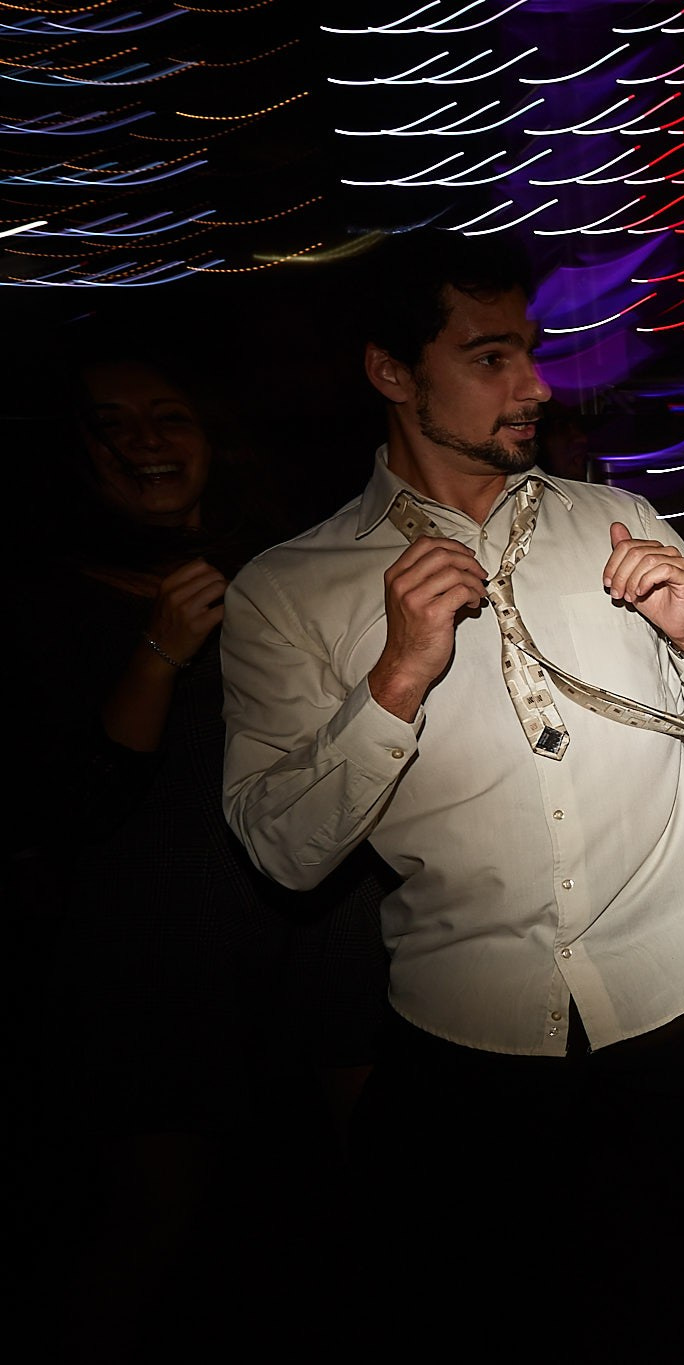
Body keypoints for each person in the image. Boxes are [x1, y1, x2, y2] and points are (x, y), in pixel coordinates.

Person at [219, 233, 684, 1356]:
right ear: (392, 372)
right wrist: (396, 677)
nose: (534, 385)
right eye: (489, 357)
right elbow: (281, 852)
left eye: (531, 353)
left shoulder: (623, 520)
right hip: (471, 1051)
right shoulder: (287, 592)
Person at [27, 351, 391, 1357]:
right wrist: (160, 648)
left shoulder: (274, 570)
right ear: (74, 452)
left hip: (320, 927)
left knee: (373, 1203)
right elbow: (75, 805)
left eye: (169, 415)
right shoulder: (49, 598)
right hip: (157, 950)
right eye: (113, 422)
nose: (147, 440)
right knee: (157, 1224)